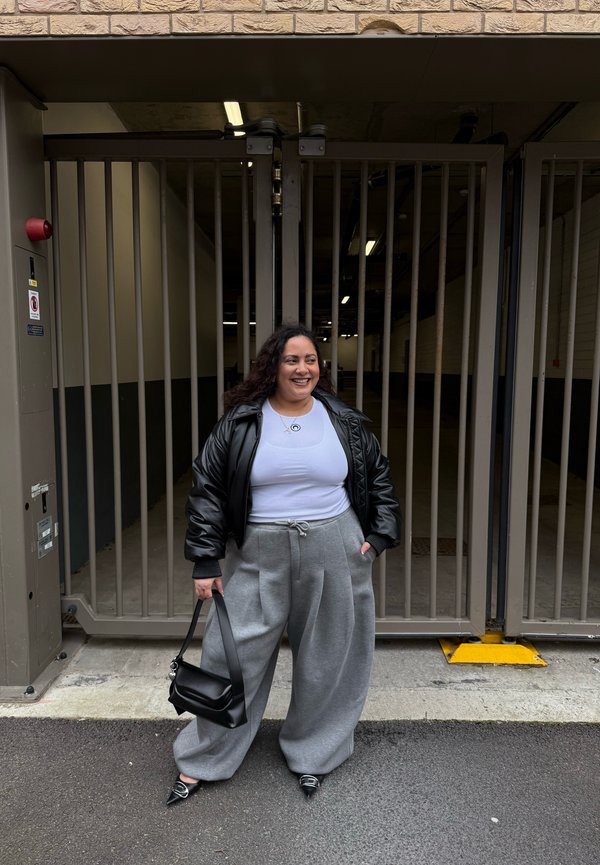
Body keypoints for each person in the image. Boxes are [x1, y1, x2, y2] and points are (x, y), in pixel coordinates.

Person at [167, 323, 401, 806]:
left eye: (311, 360)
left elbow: (377, 476)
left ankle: (315, 754)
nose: (302, 369)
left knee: (329, 657)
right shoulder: (240, 422)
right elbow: (207, 489)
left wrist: (378, 536)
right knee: (231, 657)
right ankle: (205, 758)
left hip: (335, 545)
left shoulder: (345, 420)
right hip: (259, 551)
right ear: (272, 367)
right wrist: (205, 558)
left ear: (321, 367)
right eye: (291, 360)